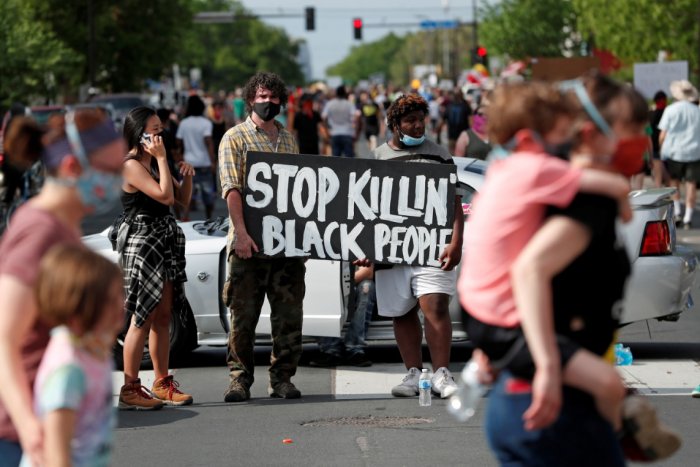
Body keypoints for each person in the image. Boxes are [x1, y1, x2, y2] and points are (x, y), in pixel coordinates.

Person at [466, 76, 680, 465]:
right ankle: (622, 422)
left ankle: (620, 419)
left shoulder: (545, 190)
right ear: (590, 133)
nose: (643, 138)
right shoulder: (579, 199)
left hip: (534, 402)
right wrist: (537, 359)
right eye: (633, 129)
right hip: (553, 412)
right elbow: (529, 270)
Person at [460, 79, 635, 433]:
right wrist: (621, 200)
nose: (564, 144)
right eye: (558, 135)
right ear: (528, 139)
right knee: (608, 384)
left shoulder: (501, 168)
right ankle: (619, 436)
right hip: (501, 319)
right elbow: (612, 185)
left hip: (476, 309)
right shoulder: (534, 167)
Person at [0, 109, 124, 466]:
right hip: (20, 437)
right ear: (72, 168)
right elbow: (5, 341)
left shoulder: (66, 226)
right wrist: (30, 430)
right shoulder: (40, 232)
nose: (120, 178)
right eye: (112, 170)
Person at [219, 72, 306, 402]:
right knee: (243, 319)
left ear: (281, 101)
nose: (268, 102)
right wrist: (241, 234)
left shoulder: (289, 140)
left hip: (285, 248)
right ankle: (239, 379)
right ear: (250, 99)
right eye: (262, 96)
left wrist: (305, 239)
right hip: (248, 247)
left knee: (288, 318)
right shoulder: (235, 138)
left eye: (274, 98)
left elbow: (300, 193)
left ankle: (282, 379)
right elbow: (232, 189)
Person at [371, 93, 464, 399]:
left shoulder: (439, 155)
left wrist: (455, 242)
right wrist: (364, 249)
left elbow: (454, 204)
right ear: (394, 124)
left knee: (436, 305)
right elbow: (362, 210)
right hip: (391, 249)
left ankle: (441, 373)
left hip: (432, 246)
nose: (417, 126)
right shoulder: (377, 158)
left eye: (421, 119)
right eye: (410, 120)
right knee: (401, 312)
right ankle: (413, 373)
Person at [118, 106, 195, 410]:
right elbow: (162, 196)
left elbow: (180, 203)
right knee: (142, 316)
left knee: (163, 315)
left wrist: (186, 176)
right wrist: (163, 161)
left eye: (161, 129)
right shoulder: (132, 165)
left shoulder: (153, 163)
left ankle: (162, 382)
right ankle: (130, 388)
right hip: (144, 243)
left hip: (164, 239)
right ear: (139, 133)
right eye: (154, 129)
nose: (160, 135)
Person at [23, 245, 123, 467]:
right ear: (80, 305)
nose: (122, 306)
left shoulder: (93, 349)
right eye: (112, 299)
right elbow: (56, 454)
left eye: (121, 295)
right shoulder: (68, 369)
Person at [309, 265, 376, 367]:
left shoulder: (362, 248)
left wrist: (342, 283)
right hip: (326, 283)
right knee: (314, 286)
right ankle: (331, 349)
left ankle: (354, 348)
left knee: (367, 287)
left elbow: (367, 272)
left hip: (352, 282)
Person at [658, 79, 700, 229]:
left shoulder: (671, 110)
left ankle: (677, 212)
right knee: (691, 185)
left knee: (674, 183)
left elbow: (663, 134)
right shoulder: (697, 110)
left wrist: (660, 149)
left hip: (674, 152)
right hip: (694, 152)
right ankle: (688, 217)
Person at [177, 95, 216, 220]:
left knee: (187, 193)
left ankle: (186, 217)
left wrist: (180, 157)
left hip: (188, 163)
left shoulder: (184, 123)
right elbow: (208, 141)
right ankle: (209, 217)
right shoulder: (206, 123)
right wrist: (213, 161)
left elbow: (178, 142)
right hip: (204, 163)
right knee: (208, 194)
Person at [322, 85, 359, 157]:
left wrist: (326, 130)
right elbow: (356, 116)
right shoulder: (349, 104)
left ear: (336, 93)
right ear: (345, 94)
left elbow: (324, 117)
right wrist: (355, 130)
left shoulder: (330, 104)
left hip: (334, 133)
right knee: (349, 159)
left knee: (336, 159)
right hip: (347, 133)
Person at [442, 89, 472, 154]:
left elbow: (443, 120)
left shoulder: (450, 106)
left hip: (455, 136)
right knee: (461, 156)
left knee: (453, 156)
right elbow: (470, 121)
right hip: (460, 136)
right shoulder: (465, 106)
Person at [650, 90, 668, 187]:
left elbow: (648, 131)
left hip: (656, 146)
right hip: (665, 147)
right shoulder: (668, 112)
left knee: (659, 175)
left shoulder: (651, 113)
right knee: (663, 174)